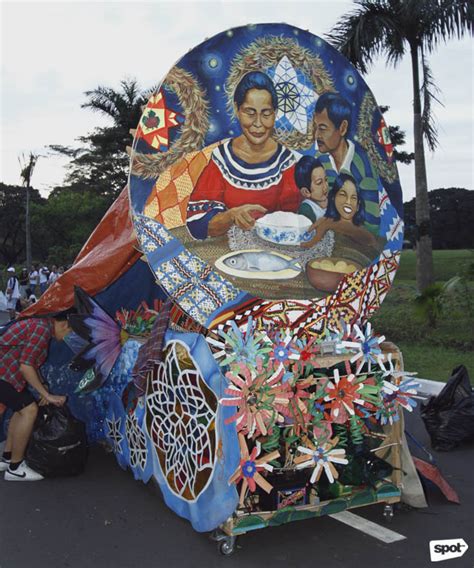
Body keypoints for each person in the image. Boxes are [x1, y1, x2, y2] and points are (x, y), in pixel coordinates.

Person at [186, 71, 301, 240]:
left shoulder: (286, 163)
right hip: (228, 255)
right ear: (237, 110)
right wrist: (231, 216)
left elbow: (294, 221)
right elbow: (197, 225)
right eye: (250, 112)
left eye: (266, 113)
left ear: (275, 113)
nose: (258, 123)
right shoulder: (222, 160)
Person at [0, 314, 70, 481]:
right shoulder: (41, 329)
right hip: (4, 374)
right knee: (29, 410)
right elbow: (26, 367)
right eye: (71, 332)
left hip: (7, 375)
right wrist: (47, 395)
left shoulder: (42, 326)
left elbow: (29, 360)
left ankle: (7, 458)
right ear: (65, 325)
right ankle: (15, 469)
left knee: (21, 410)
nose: (68, 338)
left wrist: (43, 386)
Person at [312, 92, 381, 232]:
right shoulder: (320, 161)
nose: (317, 135)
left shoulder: (364, 168)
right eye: (316, 128)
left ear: (342, 128)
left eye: (323, 129)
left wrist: (333, 225)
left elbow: (372, 227)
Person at [302, 173, 376, 248]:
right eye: (343, 195)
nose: (348, 202)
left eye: (353, 198)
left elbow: (370, 241)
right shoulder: (325, 222)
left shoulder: (363, 233)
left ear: (358, 205)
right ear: (333, 198)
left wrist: (330, 224)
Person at [294, 156, 329, 223]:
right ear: (306, 192)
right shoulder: (307, 209)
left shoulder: (332, 200)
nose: (325, 186)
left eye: (326, 180)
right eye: (319, 183)